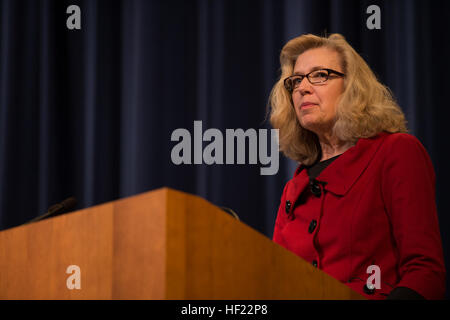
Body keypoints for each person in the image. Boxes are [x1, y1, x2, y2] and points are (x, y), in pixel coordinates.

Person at [269, 33, 446, 300]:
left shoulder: (396, 152)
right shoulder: (294, 189)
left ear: (352, 86)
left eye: (320, 75)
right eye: (295, 81)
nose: (302, 88)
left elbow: (424, 272)